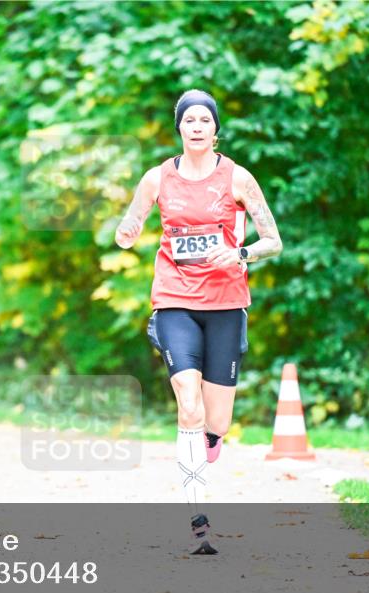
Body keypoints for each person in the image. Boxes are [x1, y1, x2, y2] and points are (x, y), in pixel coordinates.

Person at [114, 90, 283, 554]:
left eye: (204, 119)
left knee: (217, 420)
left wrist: (241, 252)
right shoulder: (157, 178)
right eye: (188, 119)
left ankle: (209, 439)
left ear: (215, 129)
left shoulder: (238, 178)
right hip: (174, 299)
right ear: (179, 128)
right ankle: (198, 519)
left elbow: (274, 240)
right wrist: (126, 231)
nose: (196, 126)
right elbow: (130, 223)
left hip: (227, 303)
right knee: (187, 404)